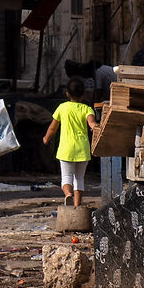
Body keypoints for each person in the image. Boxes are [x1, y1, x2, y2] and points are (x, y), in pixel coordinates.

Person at [42, 78, 96, 208]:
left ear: (67, 93)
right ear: (83, 94)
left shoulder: (62, 108)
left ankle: (68, 195)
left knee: (66, 176)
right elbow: (92, 124)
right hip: (82, 149)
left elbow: (52, 128)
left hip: (66, 149)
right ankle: (77, 206)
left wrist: (46, 138)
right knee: (79, 178)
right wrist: (96, 127)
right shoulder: (87, 109)